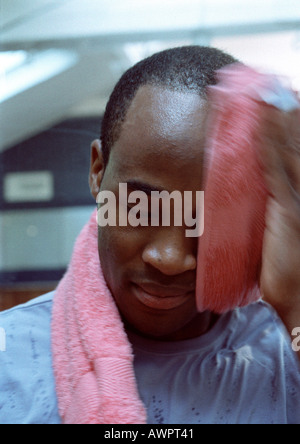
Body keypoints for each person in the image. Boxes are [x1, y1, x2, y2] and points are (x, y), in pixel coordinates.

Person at [0, 46, 299, 424]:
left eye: (209, 218)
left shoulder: (285, 348)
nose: (171, 258)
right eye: (141, 205)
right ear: (97, 172)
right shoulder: (9, 359)